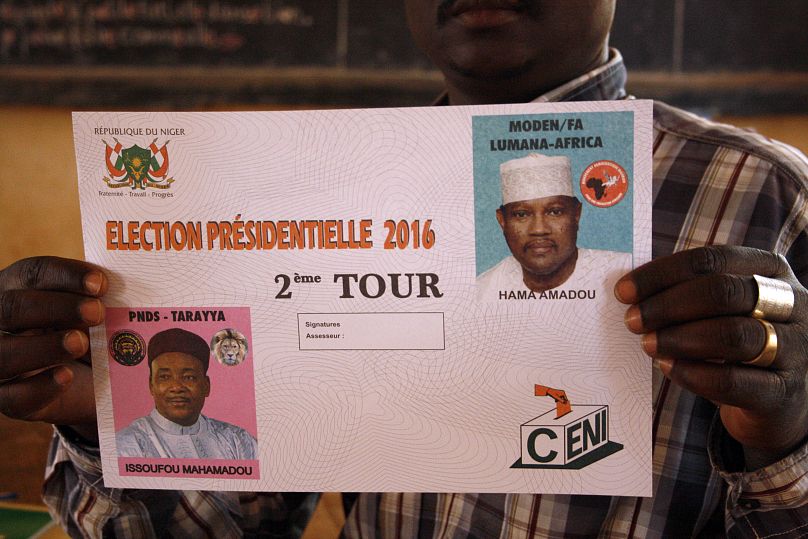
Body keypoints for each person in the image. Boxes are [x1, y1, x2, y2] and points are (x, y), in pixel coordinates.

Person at [1, 0, 806, 536]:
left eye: (557, 213)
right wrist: (108, 427)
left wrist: (788, 434)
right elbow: (230, 520)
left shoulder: (763, 195)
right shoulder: (318, 195)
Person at [477, 153, 632, 297]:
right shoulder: (482, 291)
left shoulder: (624, 272)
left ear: (576, 214)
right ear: (502, 221)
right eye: (522, 214)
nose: (539, 229)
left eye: (555, 212)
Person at [115, 328, 257, 460]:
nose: (176, 387)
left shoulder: (237, 440)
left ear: (206, 386)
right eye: (165, 377)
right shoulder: (128, 444)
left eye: (189, 377)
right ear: (151, 385)